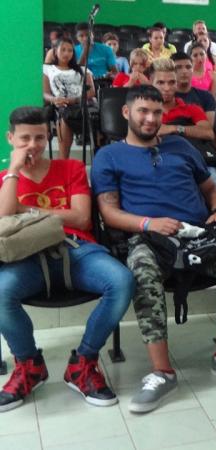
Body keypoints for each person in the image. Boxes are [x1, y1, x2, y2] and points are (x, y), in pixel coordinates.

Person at [91, 86, 216, 413]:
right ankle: (162, 372)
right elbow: (109, 212)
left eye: (156, 112)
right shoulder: (108, 156)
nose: (150, 119)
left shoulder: (181, 146)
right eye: (143, 112)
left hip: (197, 234)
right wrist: (149, 224)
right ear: (126, 113)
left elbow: (210, 187)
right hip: (148, 237)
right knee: (141, 267)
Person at [0, 106, 133, 412]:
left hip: (76, 249)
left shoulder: (70, 168)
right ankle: (29, 365)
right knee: (1, 291)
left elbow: (82, 217)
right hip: (27, 257)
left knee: (122, 281)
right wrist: (14, 172)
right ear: (11, 138)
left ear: (48, 136)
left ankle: (83, 362)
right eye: (24, 139)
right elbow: (4, 215)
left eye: (39, 137)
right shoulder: (6, 179)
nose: (32, 144)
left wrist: (28, 211)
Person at [149, 58, 216, 187]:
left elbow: (208, 133)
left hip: (199, 165)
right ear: (151, 83)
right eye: (160, 82)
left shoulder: (192, 109)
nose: (167, 88)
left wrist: (175, 128)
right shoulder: (144, 113)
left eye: (171, 82)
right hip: (161, 166)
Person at [43, 37, 96, 160]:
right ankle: (64, 161)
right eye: (63, 50)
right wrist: (54, 99)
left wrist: (75, 100)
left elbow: (92, 92)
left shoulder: (83, 69)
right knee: (65, 115)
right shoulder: (47, 69)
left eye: (70, 50)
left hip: (81, 105)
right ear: (55, 51)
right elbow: (45, 93)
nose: (67, 53)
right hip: (61, 106)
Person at [172, 51, 216, 122]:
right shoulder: (165, 97)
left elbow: (209, 129)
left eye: (188, 67)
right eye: (178, 67)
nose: (184, 71)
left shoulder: (206, 96)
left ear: (192, 70)